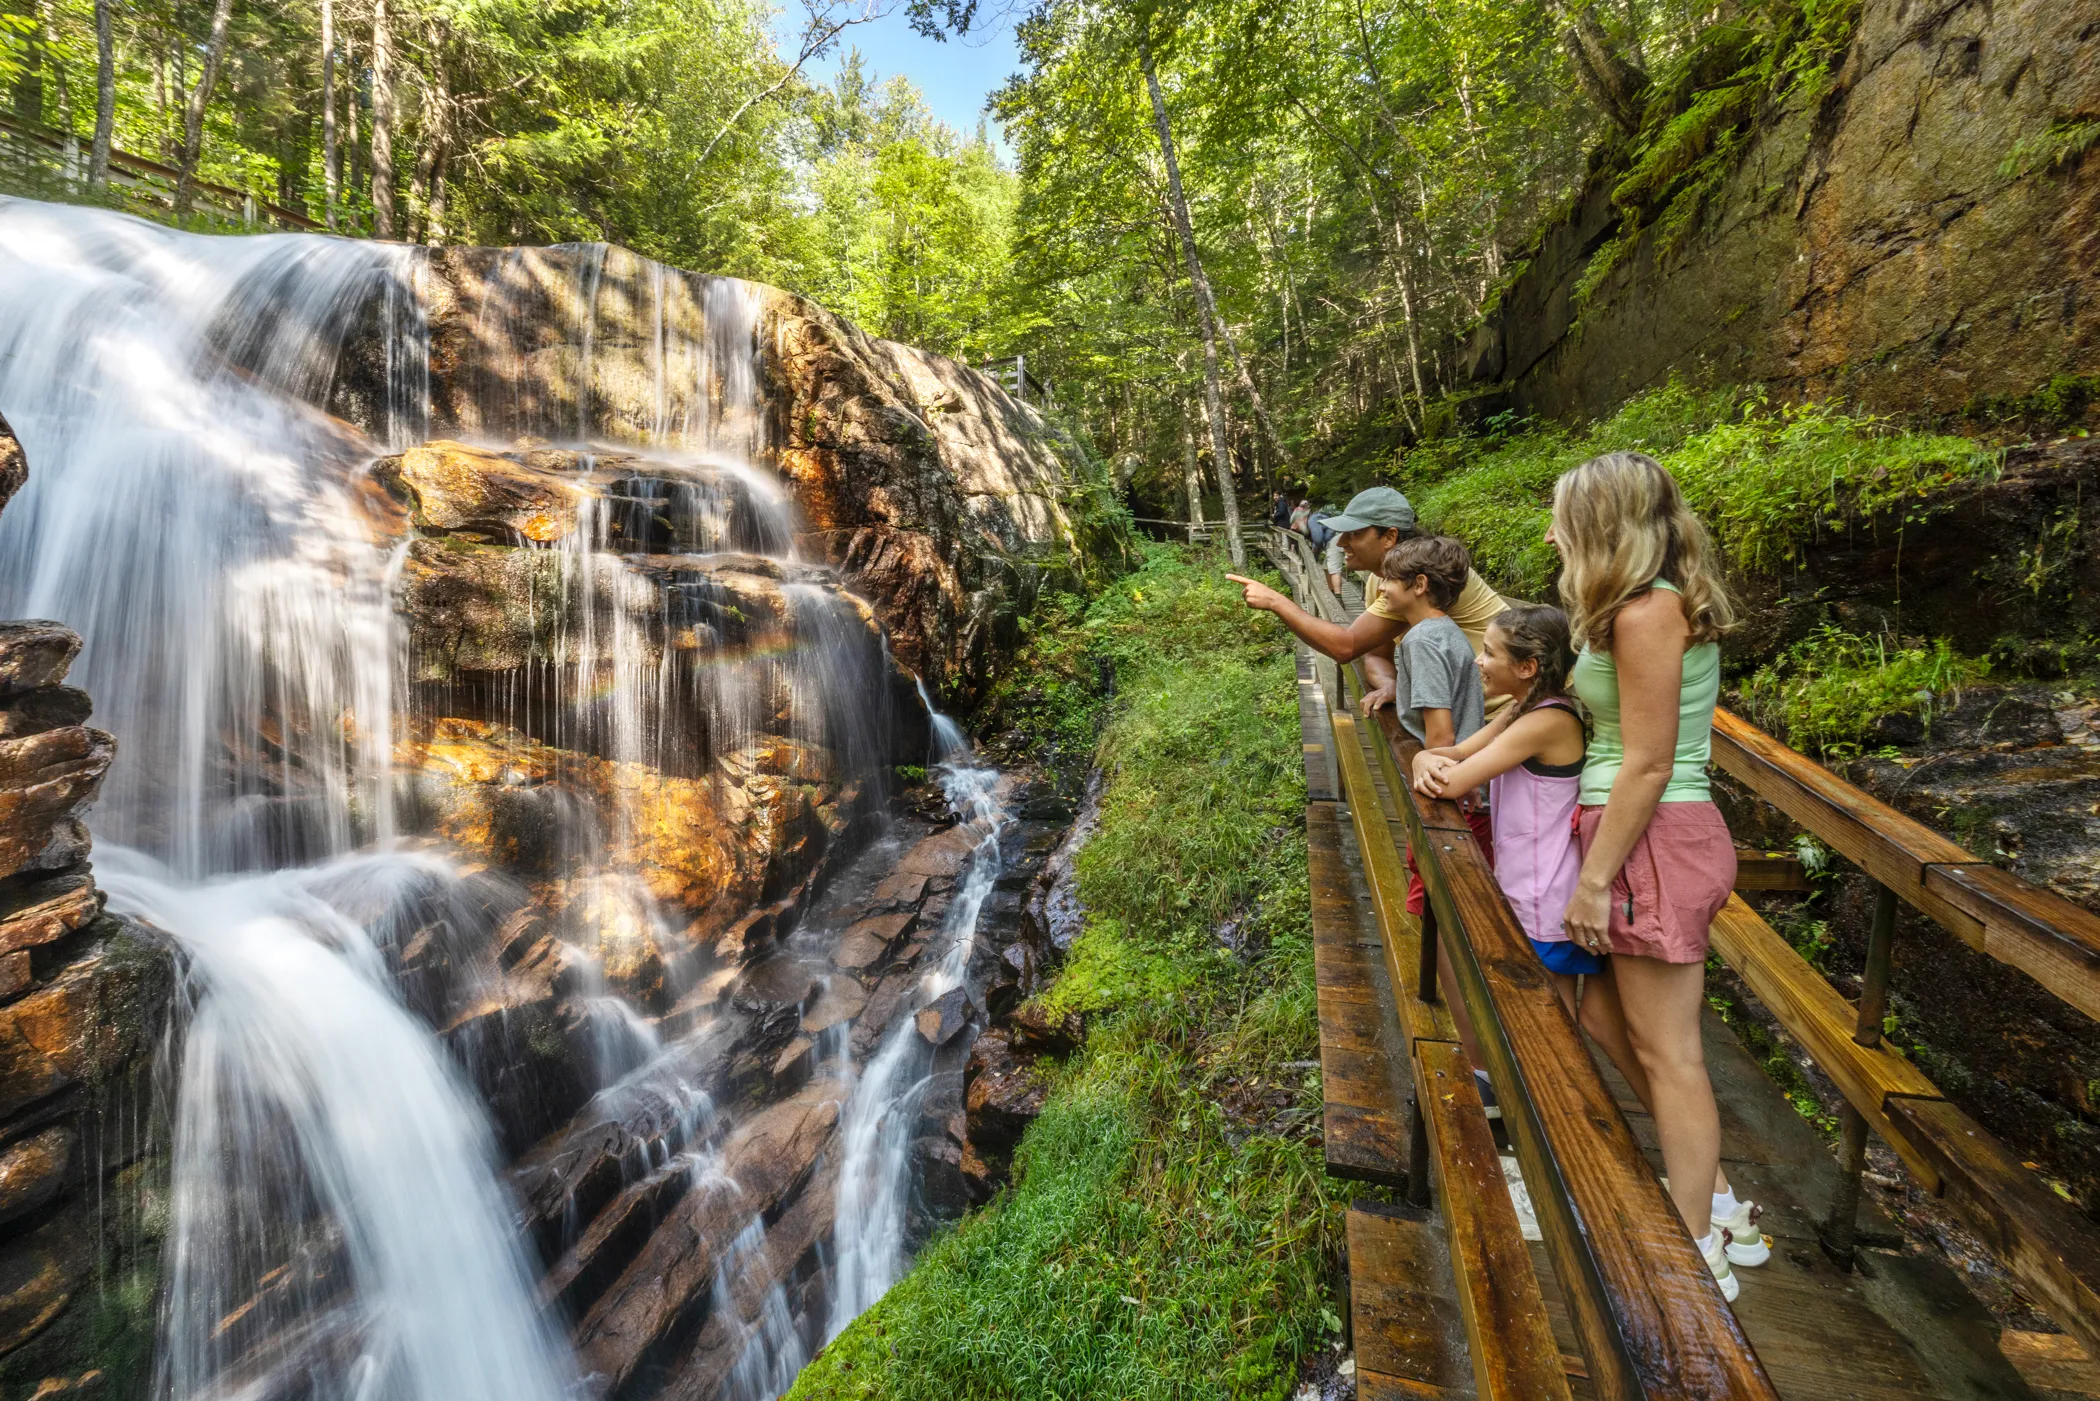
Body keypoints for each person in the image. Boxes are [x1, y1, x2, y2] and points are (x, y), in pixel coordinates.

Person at [1553, 451, 1765, 1301]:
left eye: (1566, 517)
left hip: (1649, 839)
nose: (1552, 531)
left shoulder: (1649, 613)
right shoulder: (1641, 609)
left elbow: (1646, 763)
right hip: (1638, 835)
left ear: (1605, 524)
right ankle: (1718, 1202)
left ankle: (1694, 1248)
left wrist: (1596, 879)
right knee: (1608, 1016)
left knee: (1670, 1052)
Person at [1228, 486, 1509, 715]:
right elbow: (1374, 653)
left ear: (1389, 537)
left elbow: (1346, 646)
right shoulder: (1383, 578)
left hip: (1501, 713)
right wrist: (1391, 684)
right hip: (1458, 713)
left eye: (1355, 534)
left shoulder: (1423, 577)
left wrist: (1278, 602)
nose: (1340, 543)